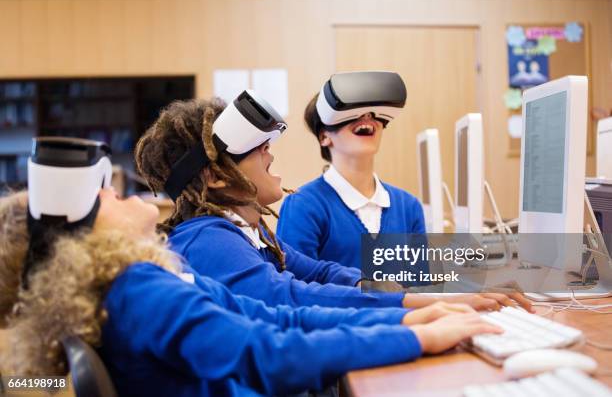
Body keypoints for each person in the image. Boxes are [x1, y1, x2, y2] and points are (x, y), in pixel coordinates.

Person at [0, 137, 502, 397]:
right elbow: (282, 315)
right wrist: (411, 320)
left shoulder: (401, 201)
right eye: (255, 149)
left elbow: (298, 300)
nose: (270, 154)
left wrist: (409, 310)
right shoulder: (306, 206)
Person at [135, 90, 532, 312]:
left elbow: (323, 274)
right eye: (258, 150)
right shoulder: (210, 238)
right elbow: (292, 297)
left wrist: (428, 295)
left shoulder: (248, 235)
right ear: (217, 175)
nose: (271, 156)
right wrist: (410, 312)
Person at [276, 71, 533, 310]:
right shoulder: (303, 205)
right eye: (353, 113)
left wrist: (473, 291)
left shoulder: (407, 206)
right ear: (324, 137)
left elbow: (418, 288)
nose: (367, 118)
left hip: (410, 325)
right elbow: (298, 295)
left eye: (373, 113)